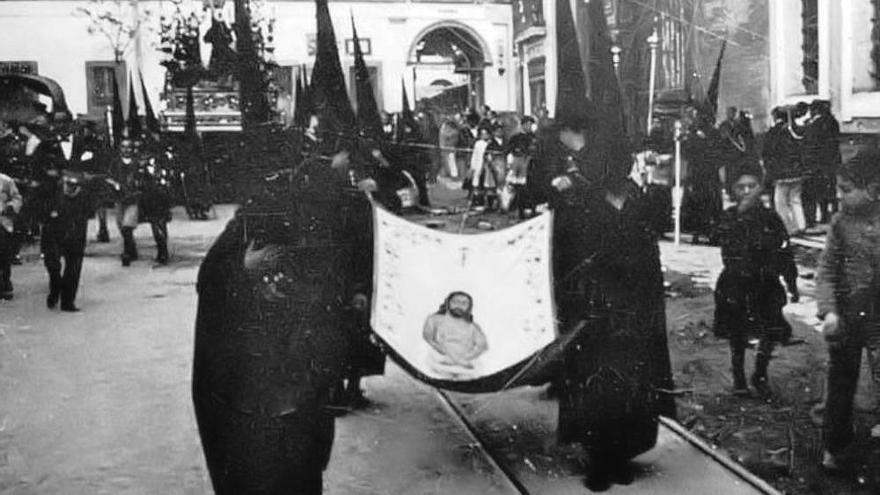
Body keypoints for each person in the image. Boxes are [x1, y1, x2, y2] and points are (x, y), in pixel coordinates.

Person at [192, 143, 376, 494]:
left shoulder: (332, 222)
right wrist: (245, 269)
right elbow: (210, 277)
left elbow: (342, 277)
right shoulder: (256, 218)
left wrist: (351, 294)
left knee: (302, 468)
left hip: (300, 377)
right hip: (253, 382)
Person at [545, 111, 676, 489]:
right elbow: (563, 258)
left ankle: (621, 455)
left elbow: (652, 247)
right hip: (595, 311)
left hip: (635, 309)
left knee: (633, 385)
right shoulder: (579, 203)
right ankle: (599, 460)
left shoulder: (640, 197)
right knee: (598, 386)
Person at [817, 149, 880, 472]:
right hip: (846, 313)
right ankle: (835, 445)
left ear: (873, 187)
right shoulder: (840, 224)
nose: (838, 195)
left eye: (846, 189)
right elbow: (826, 270)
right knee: (840, 382)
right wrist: (829, 311)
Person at [713, 163, 799, 396]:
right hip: (737, 283)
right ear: (733, 190)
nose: (747, 191)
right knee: (737, 332)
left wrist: (791, 281)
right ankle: (739, 377)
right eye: (741, 187)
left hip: (766, 283)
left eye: (752, 185)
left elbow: (785, 250)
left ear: (761, 187)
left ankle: (760, 372)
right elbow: (727, 251)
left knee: (770, 329)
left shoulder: (772, 218)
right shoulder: (730, 217)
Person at [41, 171, 111, 312]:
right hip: (53, 234)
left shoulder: (85, 197)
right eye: (67, 184)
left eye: (73, 185)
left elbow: (94, 205)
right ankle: (55, 288)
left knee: (73, 267)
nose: (69, 188)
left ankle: (67, 301)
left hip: (75, 235)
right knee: (53, 266)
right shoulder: (52, 192)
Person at [422, 291, 488, 376]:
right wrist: (441, 350)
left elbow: (483, 346)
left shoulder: (473, 327)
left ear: (469, 307)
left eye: (464, 303)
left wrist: (466, 357)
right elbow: (427, 336)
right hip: (439, 364)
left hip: (465, 367)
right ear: (448, 303)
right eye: (455, 302)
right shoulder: (434, 320)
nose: (459, 305)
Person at [0, 171, 23, 300]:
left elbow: (17, 198)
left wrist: (11, 206)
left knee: (3, 256)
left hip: (3, 222)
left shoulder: (6, 181)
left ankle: (5, 283)